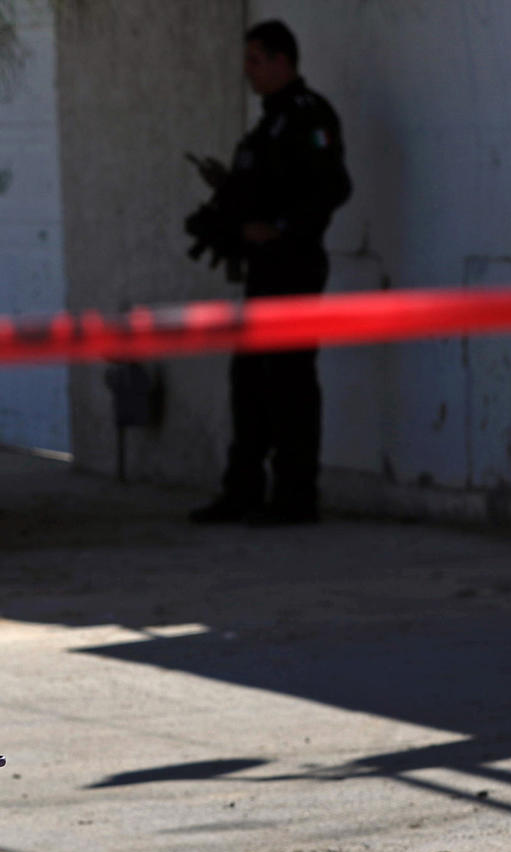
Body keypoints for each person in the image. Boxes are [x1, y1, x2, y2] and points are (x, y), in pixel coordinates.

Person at [188, 18, 351, 526]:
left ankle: (296, 495)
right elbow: (251, 194)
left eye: (256, 61)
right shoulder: (264, 128)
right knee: (251, 380)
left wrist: (280, 229)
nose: (248, 73)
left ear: (283, 62)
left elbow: (332, 188)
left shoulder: (309, 116)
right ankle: (243, 490)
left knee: (290, 381)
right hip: (262, 274)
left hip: (294, 266)